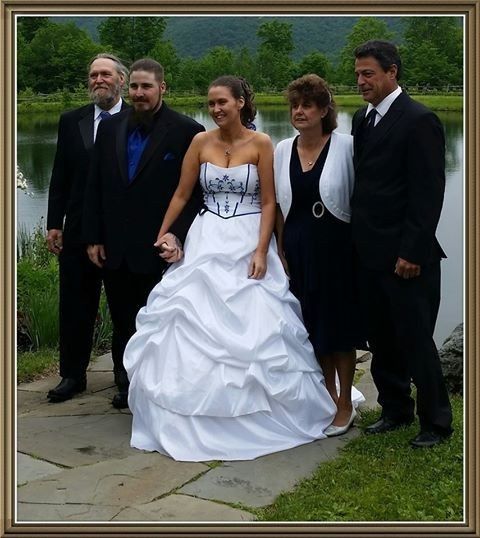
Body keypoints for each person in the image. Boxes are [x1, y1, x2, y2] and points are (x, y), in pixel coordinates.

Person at [122, 75, 363, 462]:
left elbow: (269, 202)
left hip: (249, 237)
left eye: (222, 102)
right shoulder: (200, 142)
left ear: (240, 103)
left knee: (263, 319)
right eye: (211, 103)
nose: (216, 109)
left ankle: (302, 403)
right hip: (206, 238)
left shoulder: (263, 143)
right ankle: (194, 409)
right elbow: (182, 194)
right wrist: (165, 233)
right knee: (188, 318)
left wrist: (262, 251)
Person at [82, 58, 204, 409]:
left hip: (159, 247)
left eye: (146, 86)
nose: (139, 93)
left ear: (162, 87)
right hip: (115, 245)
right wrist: (93, 236)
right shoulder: (109, 128)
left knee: (160, 320)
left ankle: (161, 387)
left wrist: (176, 235)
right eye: (134, 86)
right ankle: (126, 384)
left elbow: (195, 194)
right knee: (122, 321)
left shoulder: (187, 131)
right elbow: (95, 185)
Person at [351, 40, 453, 448]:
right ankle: (395, 409)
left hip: (407, 255)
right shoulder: (362, 119)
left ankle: (436, 423)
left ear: (392, 72)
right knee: (381, 338)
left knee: (416, 340)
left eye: (368, 74)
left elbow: (428, 193)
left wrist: (411, 251)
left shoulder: (419, 120)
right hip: (369, 252)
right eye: (358, 74)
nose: (361, 81)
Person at [274, 74, 365, 437]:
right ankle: (326, 396)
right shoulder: (282, 149)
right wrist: (280, 248)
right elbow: (278, 206)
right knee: (312, 326)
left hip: (337, 249)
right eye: (295, 105)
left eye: (308, 105)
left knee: (338, 326)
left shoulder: (347, 146)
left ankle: (345, 403)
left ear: (325, 110)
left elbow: (362, 199)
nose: (299, 111)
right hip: (298, 249)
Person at [46, 53, 130, 403]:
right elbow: (60, 175)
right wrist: (55, 222)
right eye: (93, 75)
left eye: (105, 74)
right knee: (75, 304)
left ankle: (125, 376)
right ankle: (72, 375)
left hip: (122, 230)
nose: (98, 80)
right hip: (78, 227)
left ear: (121, 80)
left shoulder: (136, 119)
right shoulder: (71, 120)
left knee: (125, 306)